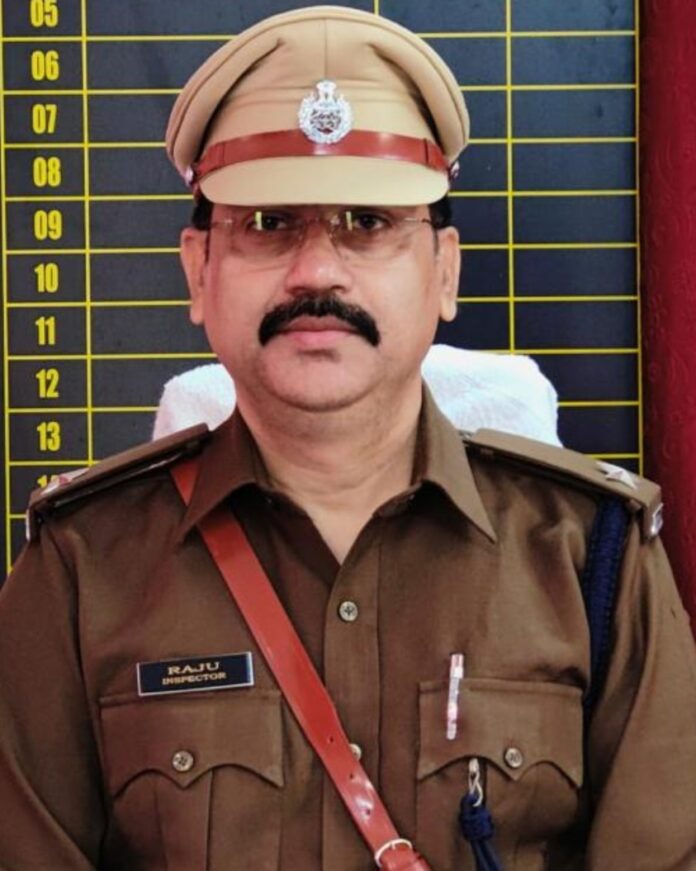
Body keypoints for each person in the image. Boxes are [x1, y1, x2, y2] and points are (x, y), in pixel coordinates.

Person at [1, 7, 695, 870]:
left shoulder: (591, 561)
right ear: (198, 272)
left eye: (368, 220)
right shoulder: (79, 571)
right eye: (268, 222)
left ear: (444, 272)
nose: (317, 270)